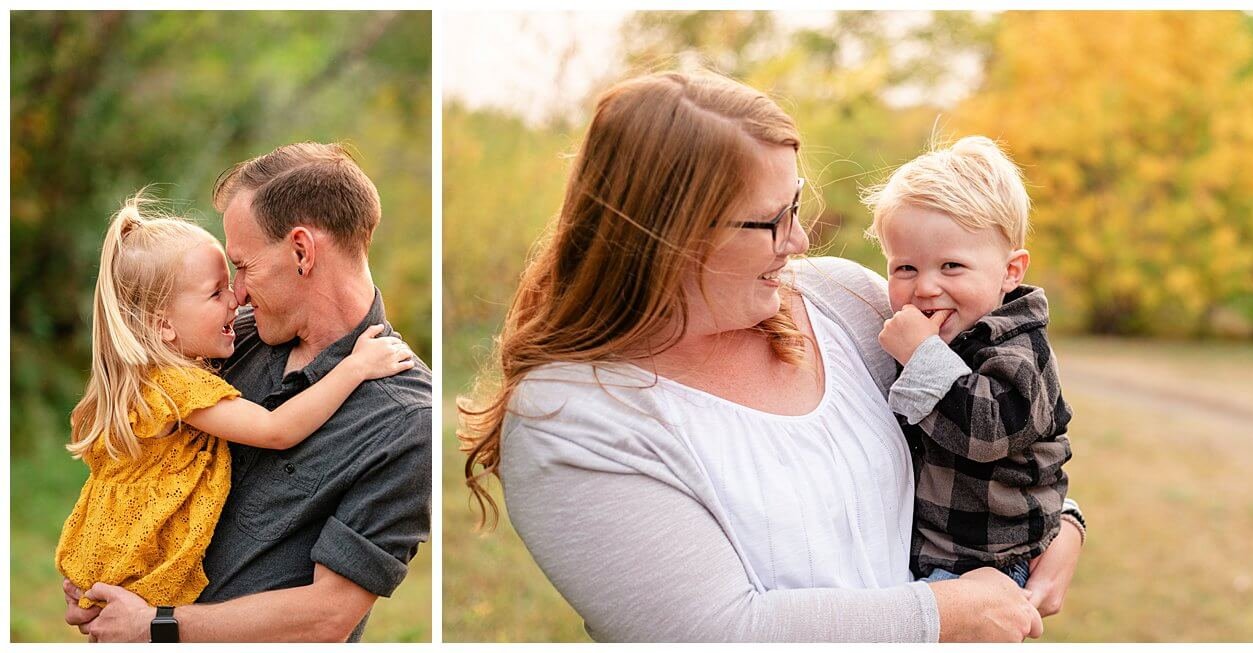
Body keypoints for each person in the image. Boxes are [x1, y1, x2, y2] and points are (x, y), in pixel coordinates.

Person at [459, 71, 1084, 642]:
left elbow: (990, 427)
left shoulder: (843, 301)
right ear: (667, 235)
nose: (802, 237)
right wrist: (949, 613)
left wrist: (1062, 525)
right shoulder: (572, 416)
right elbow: (715, 632)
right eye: (771, 219)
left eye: (797, 201)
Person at [65, 143, 432, 642]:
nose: (235, 293)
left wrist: (155, 626)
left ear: (301, 251)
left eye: (242, 266)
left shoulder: (404, 419)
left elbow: (328, 616)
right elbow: (141, 463)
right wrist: (104, 569)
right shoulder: (225, 341)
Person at [866, 135, 1076, 587]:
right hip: (927, 550)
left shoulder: (1019, 348)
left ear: (1010, 271)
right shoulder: (933, 332)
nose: (924, 287)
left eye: (951, 267)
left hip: (986, 563)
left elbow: (987, 433)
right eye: (905, 268)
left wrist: (921, 356)